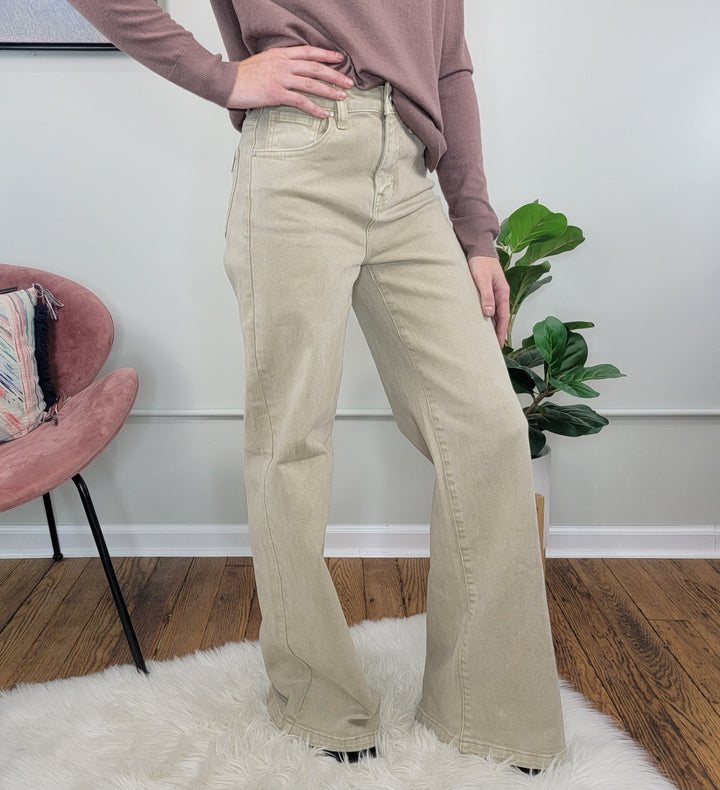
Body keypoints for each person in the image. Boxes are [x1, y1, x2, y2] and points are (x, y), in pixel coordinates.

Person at [65, 0, 567, 773]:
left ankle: (488, 704)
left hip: (407, 174)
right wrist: (220, 77)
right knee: (290, 439)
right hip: (297, 158)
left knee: (488, 429)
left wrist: (474, 229)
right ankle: (317, 696)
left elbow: (449, 62)